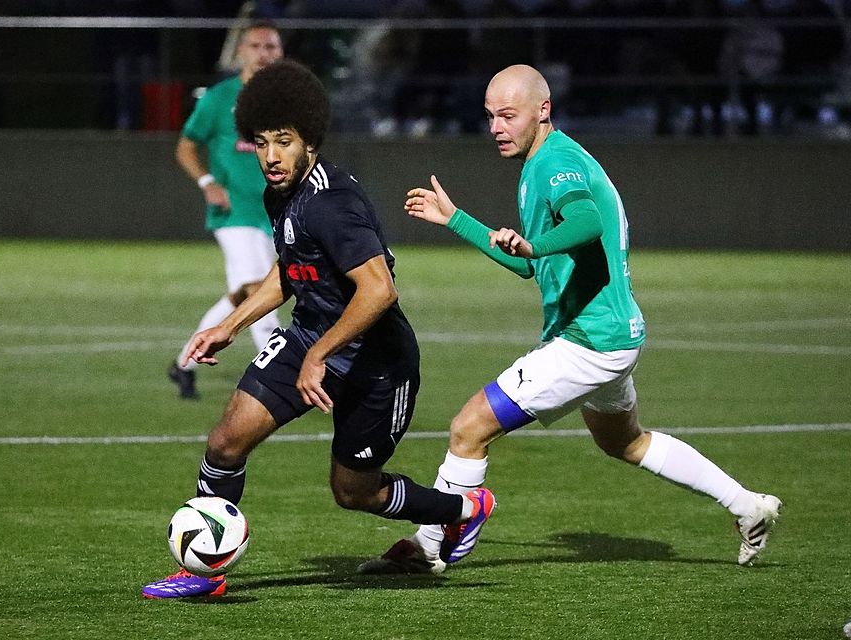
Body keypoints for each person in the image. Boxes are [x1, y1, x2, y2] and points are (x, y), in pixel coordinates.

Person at [360, 64, 781, 575]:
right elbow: (528, 263)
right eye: (491, 116)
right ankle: (747, 506)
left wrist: (534, 243)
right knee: (625, 441)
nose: (496, 127)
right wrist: (457, 219)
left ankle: (430, 545)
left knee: (469, 427)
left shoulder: (555, 163)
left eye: (509, 115)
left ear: (543, 111)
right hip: (615, 335)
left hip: (590, 341)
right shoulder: (545, 161)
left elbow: (586, 222)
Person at [142, 60, 494, 599]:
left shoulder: (332, 203)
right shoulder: (279, 192)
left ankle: (463, 510)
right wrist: (231, 325)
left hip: (377, 364)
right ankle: (203, 574)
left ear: (310, 141)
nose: (270, 156)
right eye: (260, 143)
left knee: (354, 492)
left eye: (283, 142)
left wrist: (320, 355)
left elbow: (378, 289)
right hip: (311, 338)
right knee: (226, 442)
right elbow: (290, 268)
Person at [167, 21, 284, 399]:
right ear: (241, 52)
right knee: (259, 290)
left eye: (271, 46)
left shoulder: (288, 100)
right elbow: (186, 145)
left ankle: (184, 362)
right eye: (256, 46)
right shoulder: (220, 98)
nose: (264, 53)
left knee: (240, 294)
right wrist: (207, 183)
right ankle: (281, 373)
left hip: (272, 212)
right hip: (234, 212)